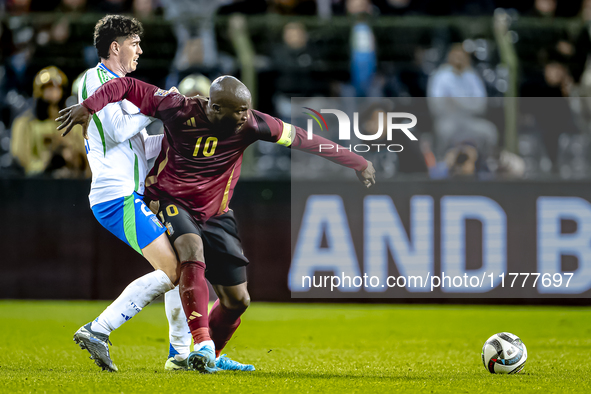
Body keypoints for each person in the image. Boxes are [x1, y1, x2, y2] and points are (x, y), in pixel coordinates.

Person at [58, 75, 376, 373]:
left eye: (246, 109)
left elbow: (303, 139)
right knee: (189, 250)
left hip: (216, 214)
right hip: (171, 202)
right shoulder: (178, 108)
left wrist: (357, 161)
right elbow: (126, 85)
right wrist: (89, 105)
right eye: (237, 111)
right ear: (214, 107)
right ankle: (202, 344)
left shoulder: (253, 123)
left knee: (237, 300)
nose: (244, 116)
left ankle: (208, 357)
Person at [67, 14, 180, 373]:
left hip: (126, 193)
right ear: (115, 47)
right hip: (114, 196)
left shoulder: (124, 87)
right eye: (134, 43)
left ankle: (181, 354)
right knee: (175, 268)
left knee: (181, 265)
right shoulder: (93, 80)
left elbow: (142, 148)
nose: (140, 50)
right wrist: (158, 106)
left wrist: (184, 140)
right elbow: (116, 131)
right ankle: (98, 329)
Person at [10, 66, 88, 178]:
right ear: (39, 91)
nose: (54, 91)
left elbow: (85, 158)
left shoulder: (74, 124)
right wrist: (46, 161)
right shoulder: (24, 124)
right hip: (37, 181)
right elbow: (22, 158)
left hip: (70, 182)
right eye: (48, 87)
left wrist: (71, 155)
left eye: (58, 87)